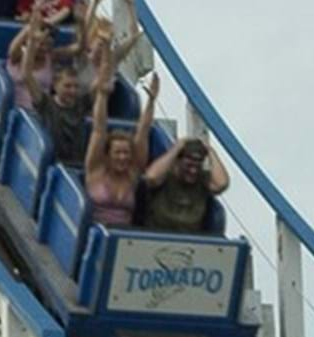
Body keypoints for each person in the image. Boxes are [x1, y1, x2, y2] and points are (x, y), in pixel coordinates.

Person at [84, 71, 157, 229]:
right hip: (94, 232)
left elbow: (143, 132)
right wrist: (102, 96)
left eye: (126, 153)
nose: (122, 157)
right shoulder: (96, 169)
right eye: (118, 153)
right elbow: (99, 128)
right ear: (108, 154)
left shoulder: (131, 174)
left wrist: (151, 101)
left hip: (122, 238)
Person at [141, 135, 230, 234]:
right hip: (157, 235)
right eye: (189, 165)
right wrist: (177, 148)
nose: (193, 171)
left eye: (197, 166)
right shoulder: (164, 176)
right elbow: (151, 177)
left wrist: (210, 151)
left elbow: (222, 184)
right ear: (177, 161)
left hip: (189, 240)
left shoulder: (202, 179)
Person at [6, 0, 58, 110]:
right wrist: (33, 22)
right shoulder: (18, 56)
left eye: (47, 45)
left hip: (41, 112)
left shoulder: (51, 57)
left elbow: (78, 48)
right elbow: (12, 50)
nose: (43, 48)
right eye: (40, 43)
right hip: (16, 110)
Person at [35, 66, 91, 167]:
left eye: (76, 86)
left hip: (76, 164)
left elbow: (102, 82)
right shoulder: (46, 104)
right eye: (67, 86)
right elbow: (27, 75)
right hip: (52, 164)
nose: (72, 91)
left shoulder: (81, 104)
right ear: (55, 85)